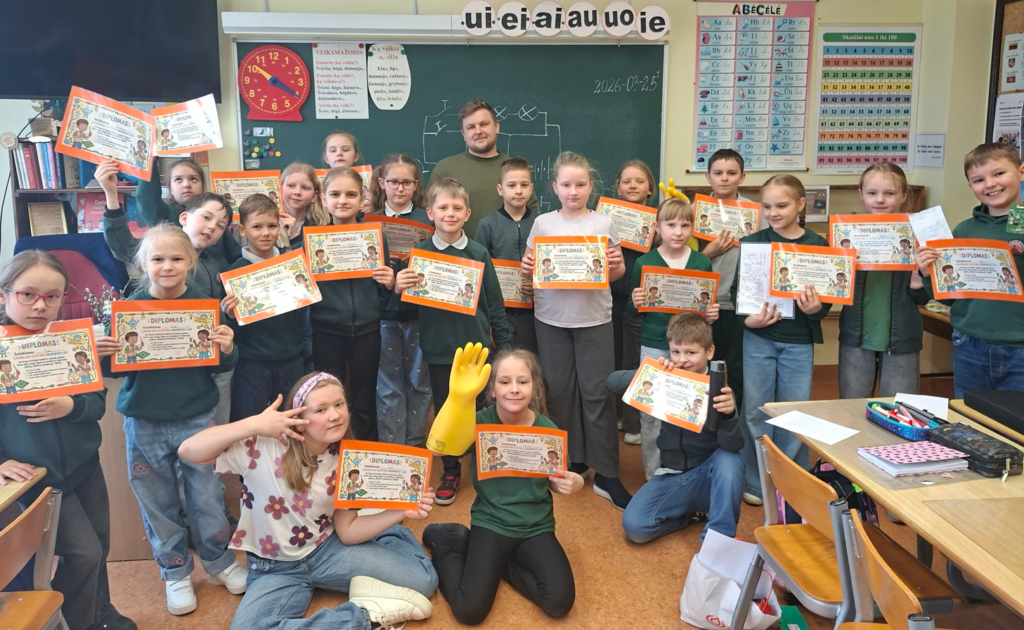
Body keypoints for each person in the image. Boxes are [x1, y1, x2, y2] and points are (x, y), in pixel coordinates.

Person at [178, 372, 438, 629]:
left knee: (424, 581)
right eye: (321, 409)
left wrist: (399, 512)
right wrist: (254, 424)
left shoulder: (346, 460)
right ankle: (368, 617)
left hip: (327, 551)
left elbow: (347, 531)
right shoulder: (262, 446)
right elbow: (188, 451)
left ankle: (390, 535)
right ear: (300, 420)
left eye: (339, 405)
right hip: (273, 568)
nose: (335, 415)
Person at [107, 224, 246, 615]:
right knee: (157, 500)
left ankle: (218, 562)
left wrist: (228, 348)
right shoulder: (128, 309)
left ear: (191, 262)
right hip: (144, 420)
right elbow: (116, 370)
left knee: (207, 496)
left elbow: (220, 365)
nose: (167, 266)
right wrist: (106, 352)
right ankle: (175, 571)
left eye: (176, 258)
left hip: (196, 417)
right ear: (143, 263)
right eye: (157, 259)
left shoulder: (205, 305)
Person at [0, 251, 136, 630]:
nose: (39, 305)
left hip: (84, 465)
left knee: (100, 546)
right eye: (28, 294)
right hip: (36, 478)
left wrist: (70, 405)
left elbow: (96, 403)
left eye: (52, 296)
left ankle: (99, 615)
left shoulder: (69, 341)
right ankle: (74, 621)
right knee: (83, 554)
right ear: (4, 295)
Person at [423, 348, 581, 625]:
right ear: (492, 389)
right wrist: (459, 399)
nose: (514, 389)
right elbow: (438, 448)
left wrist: (574, 482)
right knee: (469, 611)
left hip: (536, 526)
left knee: (559, 601)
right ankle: (449, 541)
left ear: (535, 386)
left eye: (523, 381)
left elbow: (556, 482)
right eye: (505, 381)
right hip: (491, 522)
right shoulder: (479, 422)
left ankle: (501, 563)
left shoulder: (548, 430)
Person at [521, 151, 631, 510]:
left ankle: (607, 473)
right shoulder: (543, 224)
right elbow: (530, 267)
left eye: (580, 184)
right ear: (555, 187)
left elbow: (616, 273)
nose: (573, 191)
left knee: (597, 394)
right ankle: (571, 461)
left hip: (594, 318)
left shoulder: (603, 223)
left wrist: (616, 266)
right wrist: (527, 265)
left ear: (591, 186)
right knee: (560, 393)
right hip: (550, 318)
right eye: (566, 185)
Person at [394, 178, 511, 505]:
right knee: (447, 410)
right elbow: (406, 307)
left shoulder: (479, 252)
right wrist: (399, 287)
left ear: (467, 213)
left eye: (457, 208)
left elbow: (494, 302)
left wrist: (503, 345)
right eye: (443, 207)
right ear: (430, 212)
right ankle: (450, 469)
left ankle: (486, 465)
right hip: (439, 349)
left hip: (476, 349)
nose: (450, 213)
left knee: (483, 409)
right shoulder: (420, 254)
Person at [100, 162, 237, 426]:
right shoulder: (157, 247)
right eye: (206, 218)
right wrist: (111, 195)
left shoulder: (215, 262)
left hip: (202, 378)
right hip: (156, 389)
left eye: (220, 225)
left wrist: (229, 316)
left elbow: (224, 321)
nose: (168, 267)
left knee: (214, 432)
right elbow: (122, 241)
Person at [731, 175, 830, 506]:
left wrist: (816, 309)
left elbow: (826, 300)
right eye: (767, 206)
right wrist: (749, 320)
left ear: (801, 204)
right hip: (758, 338)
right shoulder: (753, 242)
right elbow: (738, 292)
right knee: (755, 410)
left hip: (798, 342)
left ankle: (790, 478)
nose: (773, 213)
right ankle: (756, 479)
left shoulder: (817, 245)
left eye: (782, 205)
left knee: (793, 411)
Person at [612, 312, 743, 543]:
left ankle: (716, 541)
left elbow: (733, 445)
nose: (682, 359)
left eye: (691, 352)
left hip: (707, 476)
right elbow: (611, 383)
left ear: (709, 352)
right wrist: (652, 372)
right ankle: (689, 517)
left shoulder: (720, 391)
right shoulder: (665, 379)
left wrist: (729, 415)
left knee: (730, 460)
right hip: (671, 475)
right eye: (675, 352)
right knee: (635, 528)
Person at [916, 142, 1024, 396]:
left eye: (999, 173)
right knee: (969, 413)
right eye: (979, 180)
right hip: (969, 343)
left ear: (1021, 172)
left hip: (1020, 346)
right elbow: (949, 297)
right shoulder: (964, 230)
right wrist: (927, 273)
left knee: (1016, 418)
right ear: (970, 186)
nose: (990, 184)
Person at [628, 197, 718, 479]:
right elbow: (632, 309)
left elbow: (705, 308)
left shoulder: (702, 262)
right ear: (657, 227)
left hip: (691, 348)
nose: (678, 232)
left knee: (689, 408)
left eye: (685, 225)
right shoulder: (644, 262)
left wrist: (711, 314)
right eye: (670, 225)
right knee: (652, 413)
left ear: (692, 228)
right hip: (655, 344)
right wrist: (635, 301)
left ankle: (688, 473)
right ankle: (653, 475)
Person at [311, 167, 395, 441]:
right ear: (323, 199)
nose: (342, 200)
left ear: (362, 199)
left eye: (350, 194)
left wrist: (389, 283)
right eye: (335, 194)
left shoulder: (376, 237)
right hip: (327, 330)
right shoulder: (312, 241)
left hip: (367, 330)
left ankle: (366, 450)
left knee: (365, 398)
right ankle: (329, 452)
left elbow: (382, 291)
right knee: (326, 398)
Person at [838, 163, 929, 399]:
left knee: (899, 407)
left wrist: (920, 279)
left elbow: (923, 297)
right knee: (851, 405)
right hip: (856, 335)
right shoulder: (845, 233)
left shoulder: (919, 236)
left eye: (889, 193)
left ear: (903, 196)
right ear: (861, 194)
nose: (880, 199)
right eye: (872, 193)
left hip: (903, 336)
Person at [223, 194, 308, 421]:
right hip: (252, 364)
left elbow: (302, 315)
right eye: (257, 227)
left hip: (290, 359)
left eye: (272, 226)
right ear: (243, 230)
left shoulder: (291, 265)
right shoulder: (233, 273)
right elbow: (232, 329)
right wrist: (229, 315)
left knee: (291, 421)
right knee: (250, 423)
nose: (266, 233)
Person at [369, 154, 434, 446]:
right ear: (382, 182)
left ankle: (415, 444)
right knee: (387, 386)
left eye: (407, 182)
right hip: (382, 315)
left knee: (419, 383)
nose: (400, 188)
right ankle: (393, 448)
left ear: (416, 185)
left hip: (419, 314)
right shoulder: (368, 220)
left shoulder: (427, 219)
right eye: (393, 182)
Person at [700, 149, 764, 428]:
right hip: (707, 304)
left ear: (742, 177)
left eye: (731, 173)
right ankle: (705, 424)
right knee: (705, 366)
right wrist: (709, 252)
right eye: (718, 173)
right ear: (708, 177)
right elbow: (683, 259)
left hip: (741, 304)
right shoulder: (696, 211)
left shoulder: (757, 213)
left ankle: (735, 426)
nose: (724, 178)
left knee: (738, 368)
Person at [426, 99, 538, 237]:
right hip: (456, 250)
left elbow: (532, 217)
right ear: (463, 134)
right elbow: (429, 220)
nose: (478, 131)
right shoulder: (446, 168)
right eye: (471, 127)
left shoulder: (516, 171)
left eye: (484, 124)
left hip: (508, 250)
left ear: (497, 126)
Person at [609, 160, 656, 447]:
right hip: (609, 298)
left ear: (650, 188)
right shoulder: (606, 219)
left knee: (634, 360)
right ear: (618, 187)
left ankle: (633, 421)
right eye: (626, 181)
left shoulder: (660, 222)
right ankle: (616, 414)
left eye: (640, 181)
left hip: (642, 303)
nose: (633, 185)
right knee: (612, 359)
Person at [474, 156, 540, 354]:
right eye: (511, 185)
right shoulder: (487, 224)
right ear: (500, 189)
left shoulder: (542, 224)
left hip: (535, 311)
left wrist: (539, 287)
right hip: (500, 312)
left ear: (531, 188)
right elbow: (479, 274)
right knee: (501, 360)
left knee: (531, 361)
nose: (518, 190)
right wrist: (486, 319)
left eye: (524, 185)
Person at [133, 157, 241, 270]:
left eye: (193, 179)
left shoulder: (216, 221)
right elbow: (147, 198)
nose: (186, 185)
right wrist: (150, 161)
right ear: (170, 189)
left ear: (202, 186)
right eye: (178, 179)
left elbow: (236, 256)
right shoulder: (164, 214)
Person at [278, 162, 328, 251]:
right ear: (280, 189)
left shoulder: (321, 225)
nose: (297, 192)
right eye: (291, 186)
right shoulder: (268, 223)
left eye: (305, 188)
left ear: (314, 196)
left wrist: (295, 236)